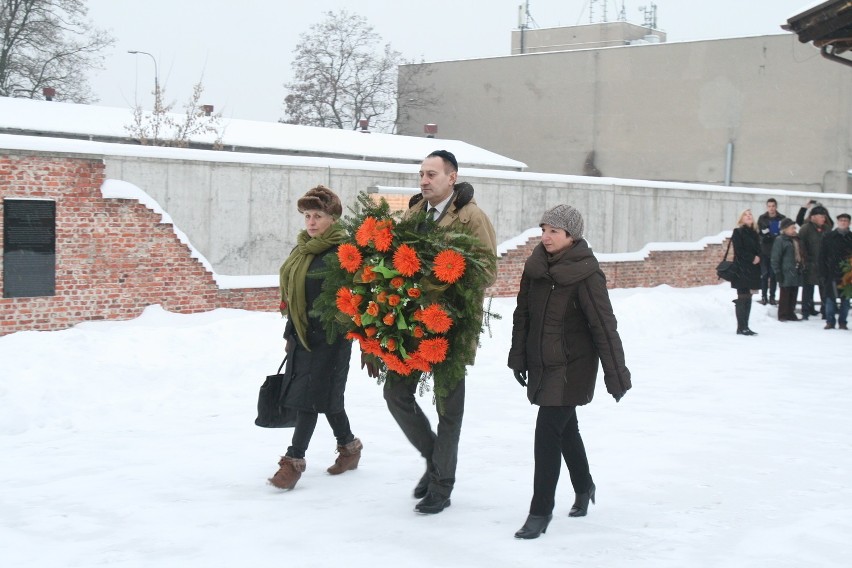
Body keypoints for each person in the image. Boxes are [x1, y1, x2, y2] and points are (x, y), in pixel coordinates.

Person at [381, 150, 497, 514]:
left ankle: (442, 486)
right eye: (421, 174)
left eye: (431, 174)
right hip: (410, 324)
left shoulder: (471, 216)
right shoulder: (415, 212)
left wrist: (447, 275)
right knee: (395, 393)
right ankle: (434, 460)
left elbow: (488, 271)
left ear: (452, 177)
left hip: (451, 324)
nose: (424, 180)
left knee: (449, 408)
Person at [507, 204, 631, 540]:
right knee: (566, 429)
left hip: (572, 367)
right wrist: (519, 357)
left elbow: (604, 327)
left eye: (554, 231)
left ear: (571, 236)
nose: (545, 237)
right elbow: (523, 316)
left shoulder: (586, 274)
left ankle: (540, 511)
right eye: (543, 230)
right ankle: (584, 485)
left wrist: (616, 374)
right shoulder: (535, 268)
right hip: (542, 363)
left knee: (547, 432)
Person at [268, 185, 363, 490]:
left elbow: (353, 298)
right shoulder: (302, 250)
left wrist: (332, 327)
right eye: (307, 215)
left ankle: (293, 463)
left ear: (333, 218)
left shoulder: (342, 253)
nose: (310, 221)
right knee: (328, 398)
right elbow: (295, 299)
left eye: (318, 215)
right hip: (302, 337)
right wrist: (290, 332)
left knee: (309, 400)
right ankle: (349, 448)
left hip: (332, 339)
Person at [729, 209, 762, 336]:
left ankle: (746, 326)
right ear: (741, 219)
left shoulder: (755, 233)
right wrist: (752, 257)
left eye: (750, 215)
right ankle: (741, 327)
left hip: (753, 269)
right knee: (742, 297)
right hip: (742, 268)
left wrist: (758, 257)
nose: (748, 217)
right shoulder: (738, 232)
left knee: (749, 297)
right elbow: (739, 250)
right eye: (745, 215)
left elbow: (760, 248)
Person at [819, 213, 852, 330]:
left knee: (846, 300)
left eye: (846, 220)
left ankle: (843, 322)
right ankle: (830, 321)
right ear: (837, 222)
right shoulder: (829, 237)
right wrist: (823, 272)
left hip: (848, 274)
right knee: (830, 298)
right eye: (841, 220)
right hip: (831, 272)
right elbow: (822, 255)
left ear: (849, 223)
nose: (843, 222)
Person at [798, 205, 831, 320]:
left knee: (824, 289)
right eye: (821, 216)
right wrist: (805, 261)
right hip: (809, 263)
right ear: (813, 217)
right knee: (808, 289)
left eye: (824, 216)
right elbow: (801, 245)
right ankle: (806, 311)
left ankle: (825, 311)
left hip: (823, 264)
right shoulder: (806, 228)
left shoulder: (827, 229)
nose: (823, 218)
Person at [771, 218, 804, 322]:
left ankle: (791, 313)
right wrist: (777, 272)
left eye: (794, 227)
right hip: (785, 271)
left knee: (794, 292)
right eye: (791, 228)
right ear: (785, 229)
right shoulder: (780, 240)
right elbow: (775, 257)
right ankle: (783, 314)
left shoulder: (796, 239)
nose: (794, 230)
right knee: (785, 293)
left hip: (796, 270)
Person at [757, 198, 787, 305]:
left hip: (777, 250)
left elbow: (785, 232)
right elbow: (759, 233)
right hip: (765, 249)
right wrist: (765, 233)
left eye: (773, 206)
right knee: (765, 275)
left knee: (774, 275)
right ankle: (764, 296)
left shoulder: (781, 218)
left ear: (776, 206)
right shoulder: (762, 218)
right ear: (767, 207)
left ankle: (772, 297)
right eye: (769, 206)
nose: (771, 208)